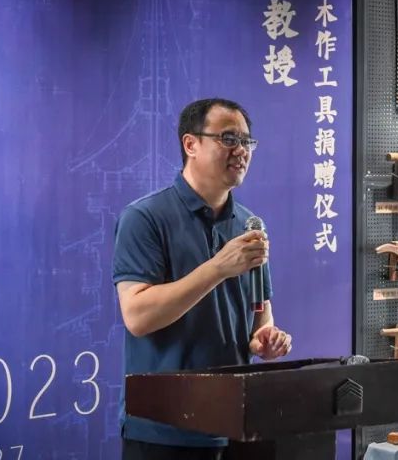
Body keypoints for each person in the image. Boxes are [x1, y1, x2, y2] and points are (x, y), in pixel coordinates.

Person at [113, 98, 292, 459]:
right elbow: (138, 316)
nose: (241, 150)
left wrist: (265, 337)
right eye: (228, 139)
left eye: (247, 141)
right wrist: (217, 267)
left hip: (237, 425)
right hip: (164, 430)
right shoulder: (145, 218)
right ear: (191, 144)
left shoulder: (249, 224)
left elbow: (261, 313)